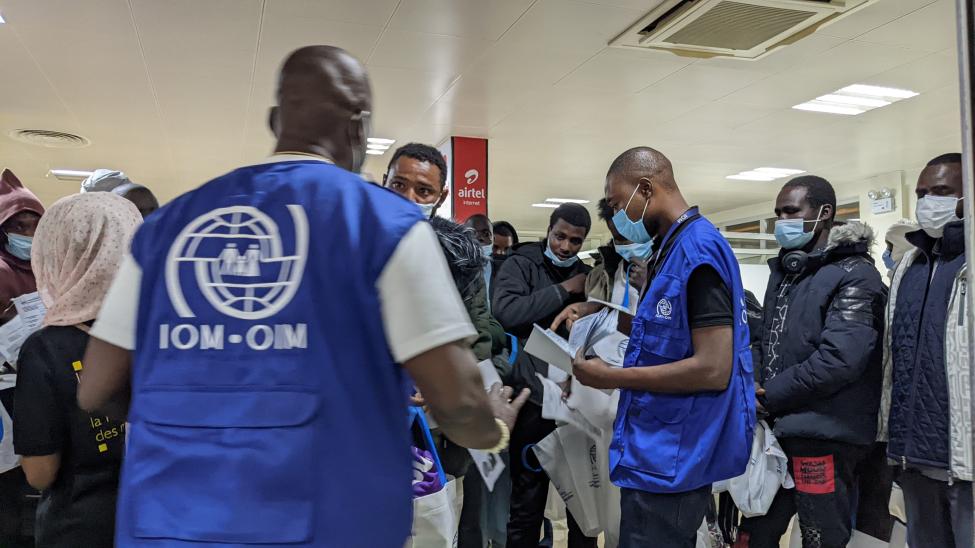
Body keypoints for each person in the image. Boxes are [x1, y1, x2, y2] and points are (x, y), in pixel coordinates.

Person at [76, 45, 528, 547]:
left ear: (275, 120)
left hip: (171, 521)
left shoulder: (167, 226)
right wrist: (494, 428)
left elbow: (96, 388)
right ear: (360, 129)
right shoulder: (384, 224)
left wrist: (198, 430)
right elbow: (458, 402)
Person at [566, 147, 754, 548]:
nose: (617, 215)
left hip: (674, 454)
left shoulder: (698, 251)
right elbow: (672, 337)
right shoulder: (672, 249)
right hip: (654, 449)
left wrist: (612, 377)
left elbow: (713, 368)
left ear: (646, 189)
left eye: (618, 203)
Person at [736, 176, 887, 548]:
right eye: (778, 214)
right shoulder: (787, 274)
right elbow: (765, 338)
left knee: (819, 537)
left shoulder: (856, 275)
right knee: (753, 534)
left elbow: (840, 359)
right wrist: (754, 383)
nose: (782, 222)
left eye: (791, 211)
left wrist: (769, 394)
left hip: (824, 436)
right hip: (776, 432)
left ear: (824, 213)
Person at [13, 192, 142, 548]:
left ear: (58, 252)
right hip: (158, 518)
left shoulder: (46, 348)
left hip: (82, 526)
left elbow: (41, 472)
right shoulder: (170, 334)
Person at [492, 203, 595, 548]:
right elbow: (507, 312)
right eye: (559, 236)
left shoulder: (589, 275)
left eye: (575, 241)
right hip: (532, 401)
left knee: (584, 507)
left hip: (577, 403)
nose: (565, 246)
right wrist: (565, 289)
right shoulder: (521, 264)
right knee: (526, 505)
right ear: (548, 230)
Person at [884, 153, 972, 548]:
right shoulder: (910, 266)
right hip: (915, 457)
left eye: (941, 191)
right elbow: (892, 357)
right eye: (921, 193)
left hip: (966, 464)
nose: (927, 202)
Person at [0, 168, 44, 548]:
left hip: (38, 385)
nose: (28, 236)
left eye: (35, 226)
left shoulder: (47, 270)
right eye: (19, 226)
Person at [584, 197, 649, 314]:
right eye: (620, 238)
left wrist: (648, 287)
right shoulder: (597, 277)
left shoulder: (670, 271)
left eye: (633, 235)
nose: (628, 243)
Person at [465, 214, 496, 301]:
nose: (479, 238)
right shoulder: (455, 269)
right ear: (464, 237)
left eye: (486, 234)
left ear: (493, 239)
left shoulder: (504, 269)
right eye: (472, 233)